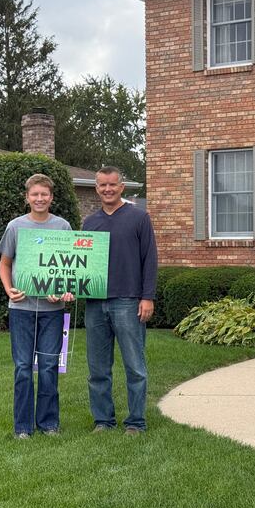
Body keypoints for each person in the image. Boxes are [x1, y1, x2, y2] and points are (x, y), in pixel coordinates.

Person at [0, 174, 74, 439]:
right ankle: (23, 427)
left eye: (44, 194)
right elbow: (5, 263)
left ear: (51, 197)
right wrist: (9, 288)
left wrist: (65, 291)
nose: (39, 199)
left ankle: (49, 424)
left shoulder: (63, 227)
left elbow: (70, 266)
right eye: (35, 194)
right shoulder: (15, 227)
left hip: (53, 312)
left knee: (49, 366)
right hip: (21, 309)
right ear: (27, 197)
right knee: (23, 367)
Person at [83, 166, 157, 435]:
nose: (108, 189)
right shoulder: (89, 223)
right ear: (97, 189)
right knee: (98, 368)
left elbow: (150, 259)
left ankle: (136, 422)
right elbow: (82, 264)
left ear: (121, 187)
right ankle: (103, 420)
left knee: (135, 367)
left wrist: (147, 297)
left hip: (128, 300)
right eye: (102, 185)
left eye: (112, 184)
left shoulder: (139, 218)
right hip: (95, 303)